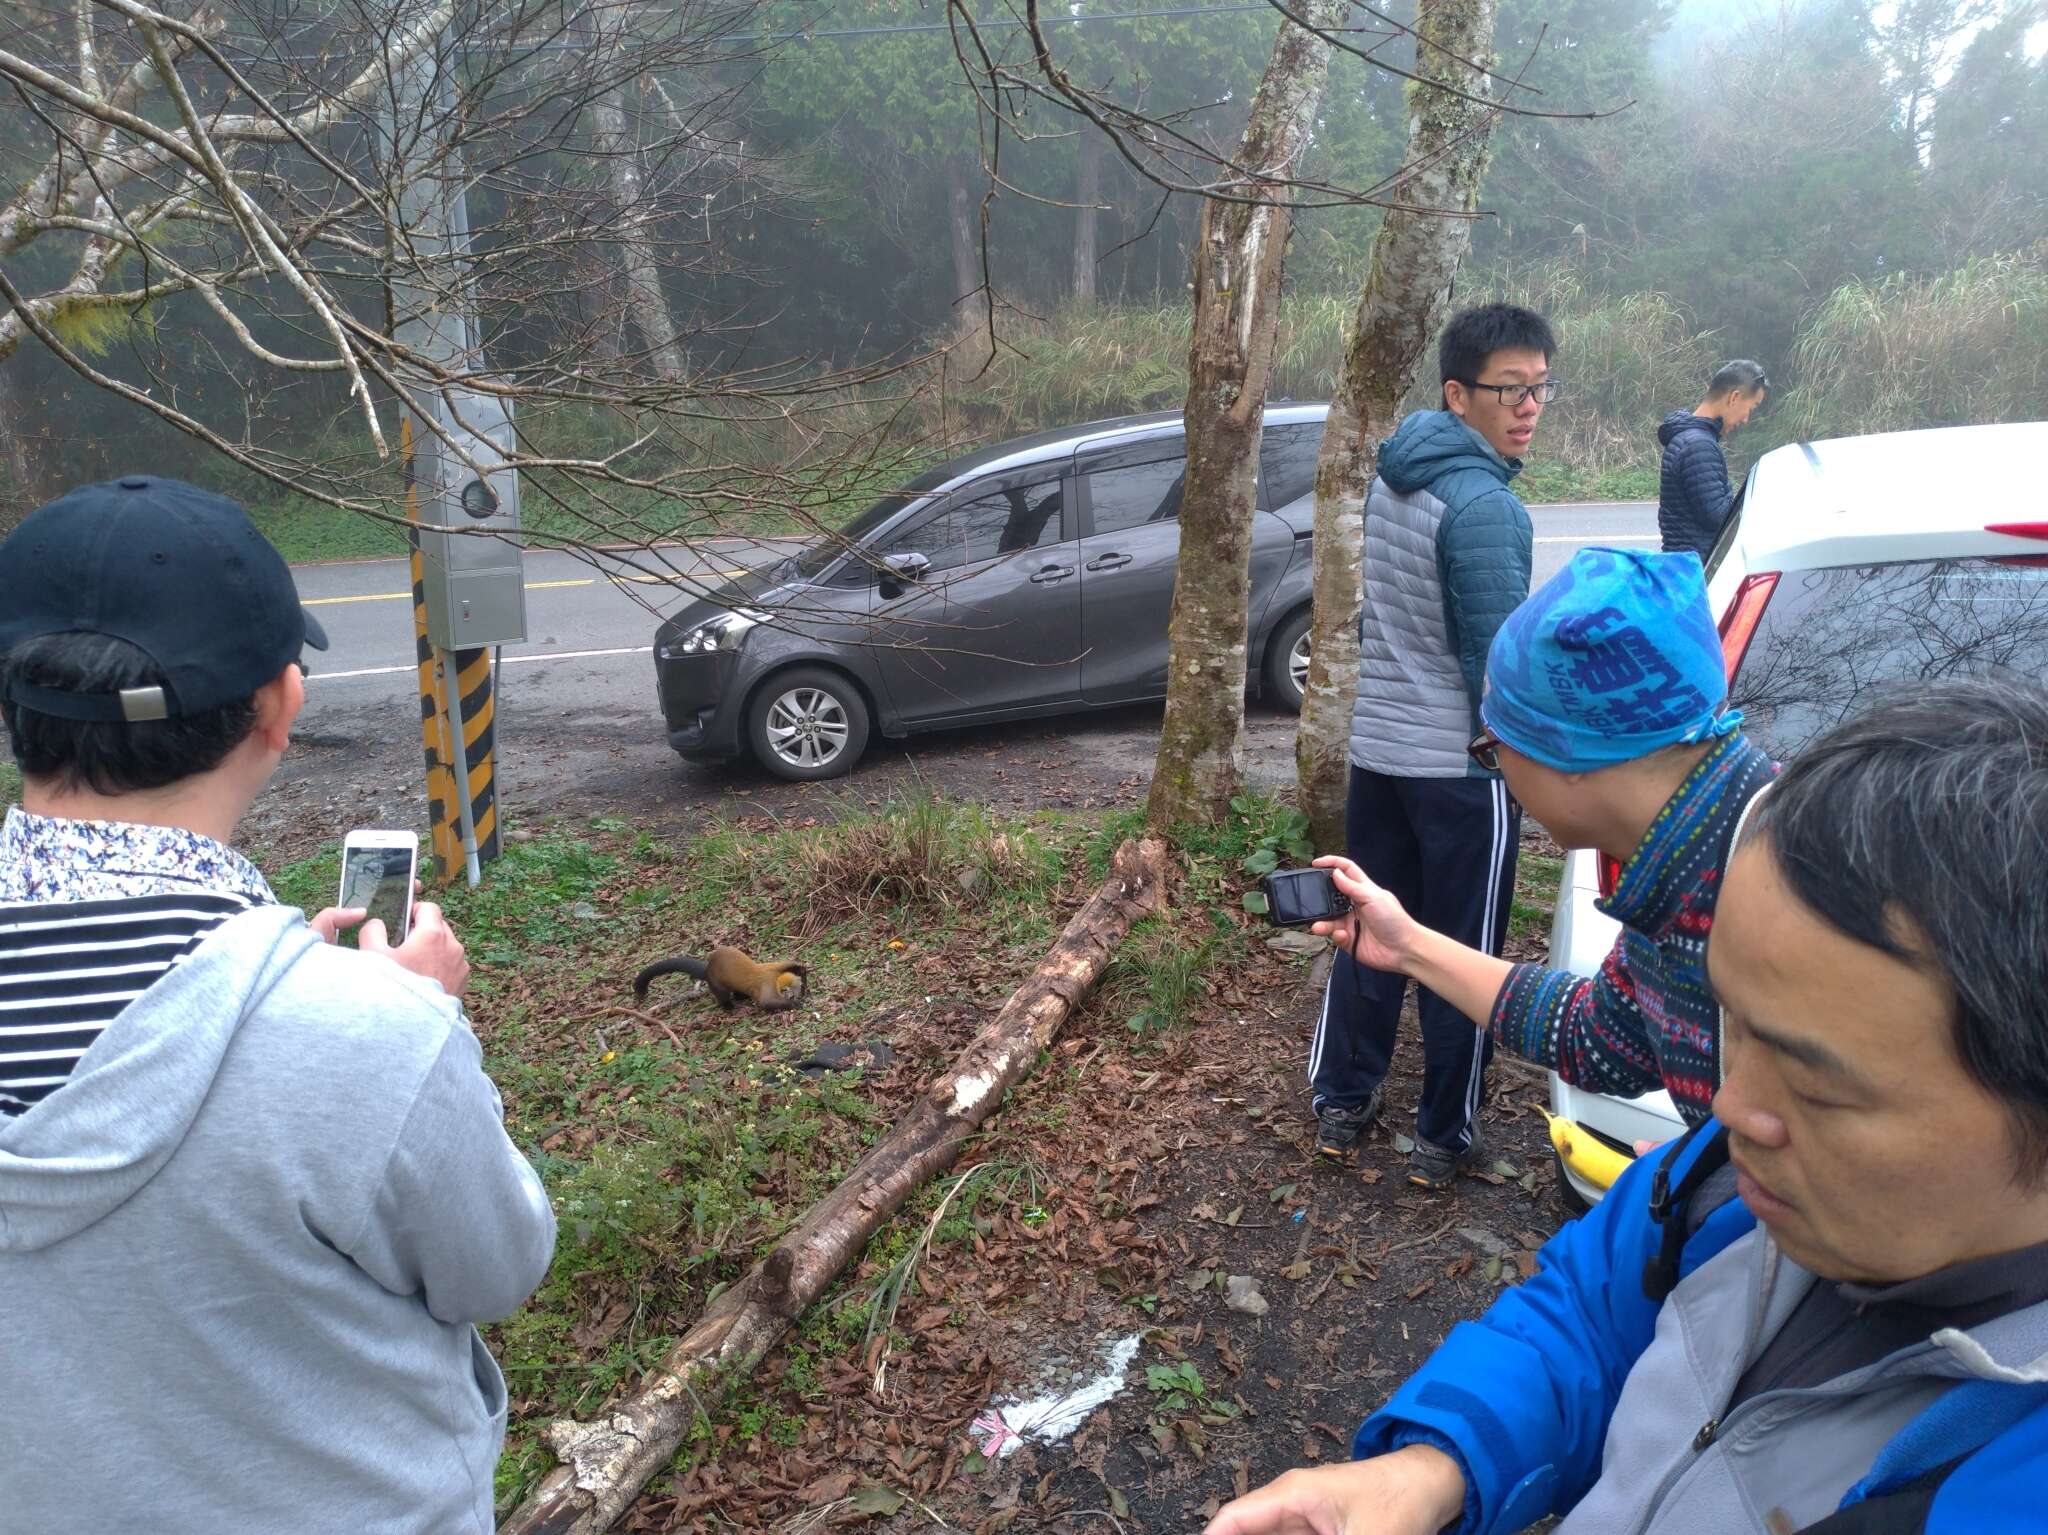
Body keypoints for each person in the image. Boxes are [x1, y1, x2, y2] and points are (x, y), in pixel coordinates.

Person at [1211, 677, 2048, 1535]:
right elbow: (1594, 1311)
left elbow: (1598, 1037)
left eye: (1819, 1082)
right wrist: (1428, 1468)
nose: (1727, 1104)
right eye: (1730, 1024)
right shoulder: (1722, 1188)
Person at [0, 477, 557, 1532]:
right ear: (278, 704)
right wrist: (417, 1030)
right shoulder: (365, 1034)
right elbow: (497, 1263)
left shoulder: (329, 1018)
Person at [1313, 547, 1775, 1132]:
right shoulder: (1689, 857)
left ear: (1568, 752)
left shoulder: (1787, 889)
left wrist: (1719, 1183)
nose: (1497, 770)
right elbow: (1606, 1039)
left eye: (1493, 748)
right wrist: (1407, 946)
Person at [1312, 302, 1556, 1188]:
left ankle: (1343, 1098)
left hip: (1379, 752)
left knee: (1366, 932)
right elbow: (1497, 670)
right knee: (1462, 953)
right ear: (1459, 394)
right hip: (1456, 769)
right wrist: (1523, 767)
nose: (1528, 407)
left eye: (1538, 389)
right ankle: (1444, 1134)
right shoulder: (1486, 506)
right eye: (1509, 390)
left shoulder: (1395, 473)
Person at [1657, 358, 1768, 559]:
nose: (1746, 419)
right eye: (1751, 408)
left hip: (1684, 565)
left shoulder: (1689, 437)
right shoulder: (1698, 446)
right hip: (1695, 570)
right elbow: (1720, 519)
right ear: (1734, 398)